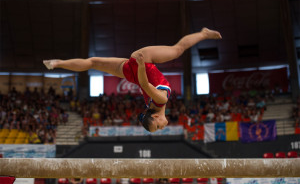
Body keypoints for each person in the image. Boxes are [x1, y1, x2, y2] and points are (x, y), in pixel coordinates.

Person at [43, 28, 222, 132]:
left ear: (156, 116)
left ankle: (203, 33)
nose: (162, 127)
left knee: (177, 50)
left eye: (158, 127)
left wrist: (142, 64)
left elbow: (145, 84)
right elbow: (143, 84)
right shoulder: (150, 105)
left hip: (143, 62)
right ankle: (58, 63)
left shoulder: (161, 100)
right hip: (132, 73)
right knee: (92, 62)